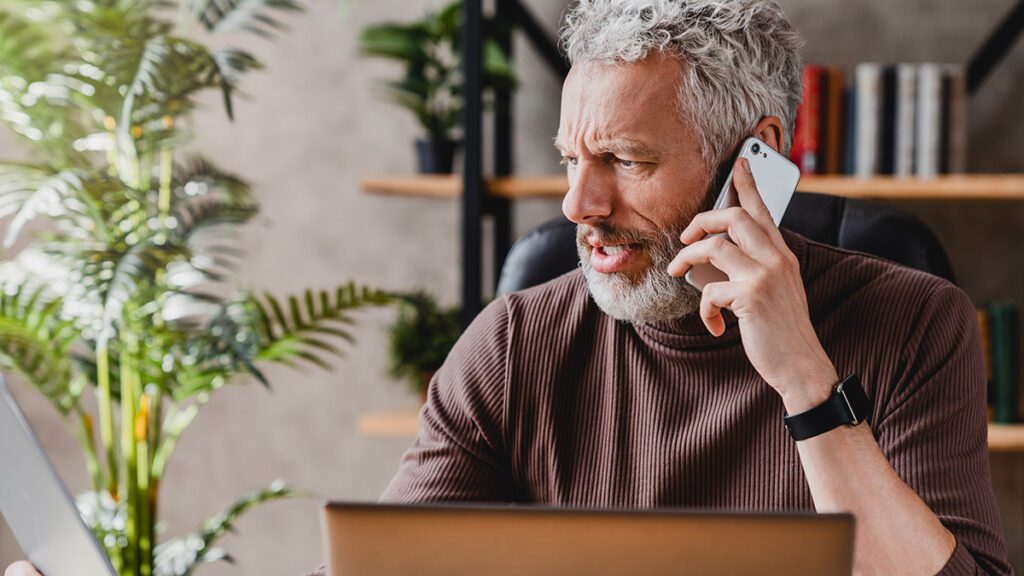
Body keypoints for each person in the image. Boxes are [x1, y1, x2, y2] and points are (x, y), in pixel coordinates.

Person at [5, 1, 1012, 575]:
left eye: (621, 158)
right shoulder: (518, 339)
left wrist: (801, 378)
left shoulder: (908, 321)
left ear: (755, 160)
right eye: (569, 157)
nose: (578, 203)